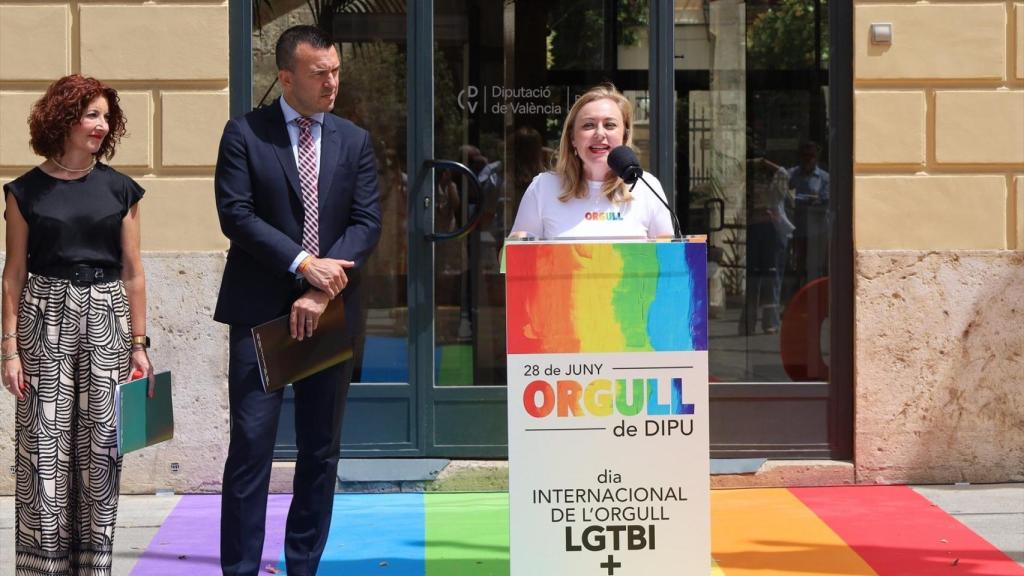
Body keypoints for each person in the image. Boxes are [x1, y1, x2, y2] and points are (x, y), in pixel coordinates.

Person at [213, 25, 381, 576]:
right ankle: (239, 568)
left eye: (336, 71)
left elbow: (365, 223)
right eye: (319, 73)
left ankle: (302, 564)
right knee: (252, 448)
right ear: (286, 77)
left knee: (319, 450)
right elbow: (236, 216)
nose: (332, 82)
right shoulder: (244, 134)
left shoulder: (354, 140)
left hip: (330, 311)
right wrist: (302, 263)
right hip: (261, 311)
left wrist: (318, 286)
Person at [2, 74, 154, 575]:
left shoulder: (120, 189)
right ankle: (43, 568)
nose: (100, 125)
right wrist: (9, 348)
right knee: (43, 447)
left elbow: (133, 271)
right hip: (42, 316)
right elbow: (14, 272)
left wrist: (139, 343)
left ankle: (94, 566)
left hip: (106, 315)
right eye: (91, 114)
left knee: (102, 448)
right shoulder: (25, 191)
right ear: (63, 118)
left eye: (106, 117)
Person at [509, 84, 673, 239]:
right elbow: (512, 260)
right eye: (588, 125)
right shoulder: (543, 188)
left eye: (610, 125)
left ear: (624, 135)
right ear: (573, 138)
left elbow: (671, 261)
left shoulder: (648, 188)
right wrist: (514, 243)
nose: (600, 133)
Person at [739, 155, 794, 335]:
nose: (760, 178)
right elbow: (737, 169)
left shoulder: (775, 189)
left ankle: (768, 322)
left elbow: (783, 173)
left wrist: (764, 162)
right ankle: (750, 323)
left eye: (763, 174)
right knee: (755, 280)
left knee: (771, 279)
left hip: (772, 232)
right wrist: (754, 164)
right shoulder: (749, 188)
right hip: (756, 231)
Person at [788, 140, 830, 282]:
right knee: (798, 261)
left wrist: (806, 200)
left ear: (816, 157)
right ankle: (798, 288)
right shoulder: (793, 174)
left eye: (811, 155)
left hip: (817, 228)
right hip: (798, 225)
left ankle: (815, 289)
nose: (807, 159)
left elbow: (825, 199)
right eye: (804, 155)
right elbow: (783, 184)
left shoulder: (824, 177)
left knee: (816, 263)